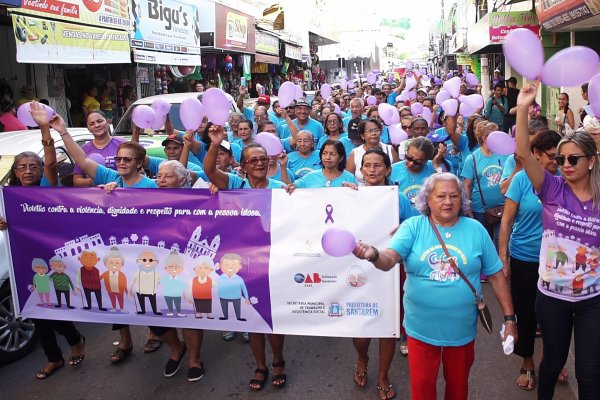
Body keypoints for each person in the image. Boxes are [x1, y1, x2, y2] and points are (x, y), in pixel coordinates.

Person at [353, 172, 517, 400]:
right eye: (441, 196)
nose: (448, 202)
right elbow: (389, 259)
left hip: (461, 330)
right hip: (421, 329)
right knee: (422, 389)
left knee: (458, 389)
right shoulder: (412, 227)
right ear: (427, 200)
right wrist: (373, 254)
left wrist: (510, 320)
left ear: (463, 200)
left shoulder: (476, 229)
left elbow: (497, 275)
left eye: (454, 196)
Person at [516, 81, 600, 400]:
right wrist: (523, 107)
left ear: (591, 160)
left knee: (590, 373)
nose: (565, 165)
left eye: (573, 159)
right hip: (552, 297)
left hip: (593, 298)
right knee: (552, 363)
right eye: (561, 159)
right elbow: (524, 153)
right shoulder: (551, 188)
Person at [1, 102, 85, 379]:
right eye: (22, 167)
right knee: (36, 311)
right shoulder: (7, 197)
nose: (28, 171)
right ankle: (53, 358)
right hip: (23, 262)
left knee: (57, 308)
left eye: (32, 166)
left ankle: (74, 340)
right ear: (15, 172)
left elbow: (51, 161)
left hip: (54, 258)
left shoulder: (47, 189)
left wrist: (45, 128)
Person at [203, 125, 289, 391]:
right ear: (242, 165)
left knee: (271, 317)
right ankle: (260, 365)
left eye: (264, 159)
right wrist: (215, 143)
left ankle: (278, 361)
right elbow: (208, 172)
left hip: (272, 260)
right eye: (254, 160)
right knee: (252, 318)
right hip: (242, 262)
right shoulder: (234, 183)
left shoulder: (280, 188)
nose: (260, 164)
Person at [499, 130, 562, 391]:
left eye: (560, 157)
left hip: (558, 260)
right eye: (551, 157)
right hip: (525, 256)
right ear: (535, 155)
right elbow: (506, 221)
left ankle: (553, 360)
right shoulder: (521, 180)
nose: (558, 163)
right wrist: (503, 258)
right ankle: (527, 362)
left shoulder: (565, 178)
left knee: (555, 314)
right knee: (526, 312)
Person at [351, 148, 416, 400]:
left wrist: (405, 227)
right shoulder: (351, 194)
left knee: (388, 325)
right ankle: (362, 357)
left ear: (388, 169)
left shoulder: (397, 198)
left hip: (390, 268)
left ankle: (383, 376)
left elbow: (416, 225)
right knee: (359, 327)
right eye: (367, 165)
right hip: (356, 270)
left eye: (378, 165)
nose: (372, 170)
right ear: (361, 169)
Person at [461, 121, 507, 252]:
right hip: (481, 210)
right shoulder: (473, 159)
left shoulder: (503, 155)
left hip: (503, 207)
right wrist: (467, 208)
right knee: (484, 244)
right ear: (485, 138)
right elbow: (467, 186)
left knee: (500, 244)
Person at [73, 110, 125, 187]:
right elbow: (76, 181)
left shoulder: (122, 144)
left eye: (100, 121)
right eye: (91, 124)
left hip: (120, 194)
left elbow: (135, 173)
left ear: (108, 122)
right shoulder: (83, 150)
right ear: (88, 128)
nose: (96, 125)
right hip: (94, 196)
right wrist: (93, 180)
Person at [346, 119, 398, 184]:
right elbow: (348, 178)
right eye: (370, 131)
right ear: (362, 135)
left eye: (376, 130)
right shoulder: (355, 153)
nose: (374, 133)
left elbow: (397, 175)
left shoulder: (389, 150)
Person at [291, 140, 358, 188]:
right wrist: (291, 187)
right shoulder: (311, 176)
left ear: (341, 158)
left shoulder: (350, 178)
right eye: (324, 153)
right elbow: (292, 188)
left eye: (332, 154)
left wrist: (351, 190)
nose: (327, 157)